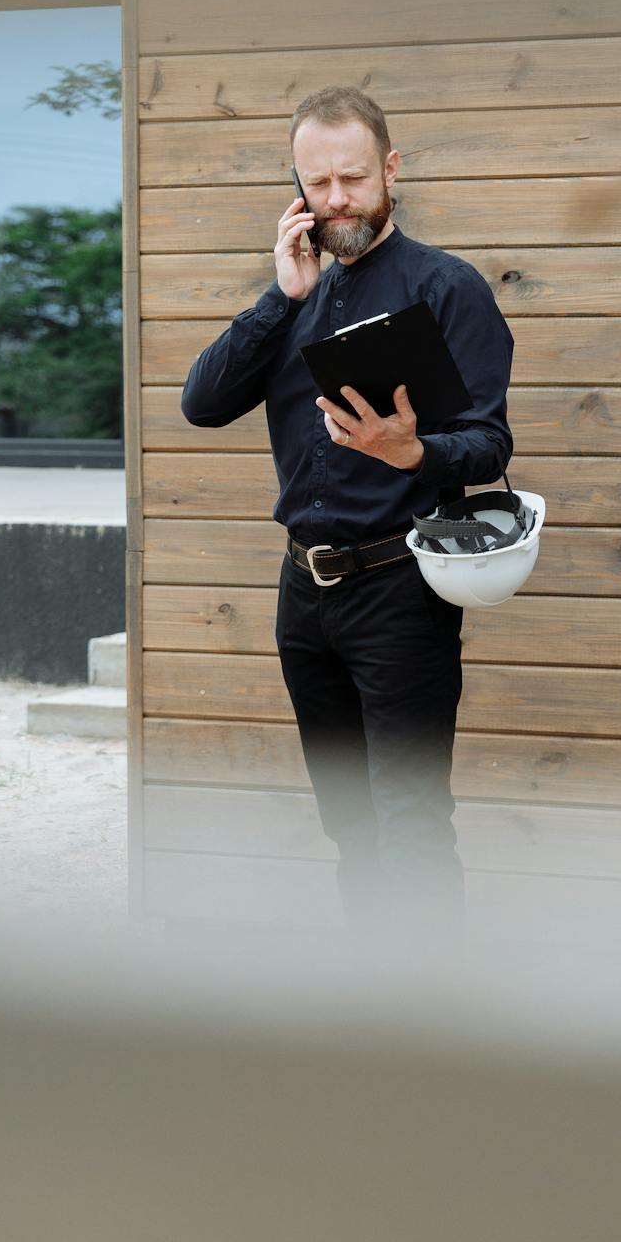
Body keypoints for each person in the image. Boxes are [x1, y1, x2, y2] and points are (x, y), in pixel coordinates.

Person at [180, 85, 514, 934]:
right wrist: (277, 298)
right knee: (347, 821)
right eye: (317, 183)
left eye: (353, 179)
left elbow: (487, 444)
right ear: (296, 186)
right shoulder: (293, 298)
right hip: (304, 594)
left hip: (401, 588)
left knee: (406, 821)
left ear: (389, 169)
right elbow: (202, 404)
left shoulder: (447, 287)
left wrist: (413, 453)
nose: (336, 201)